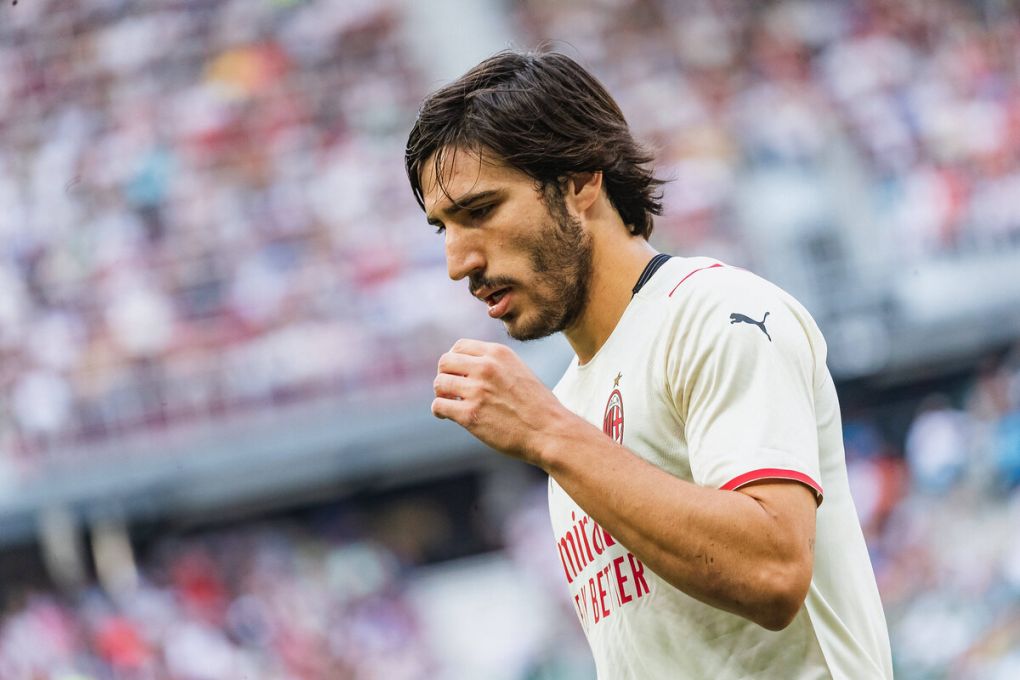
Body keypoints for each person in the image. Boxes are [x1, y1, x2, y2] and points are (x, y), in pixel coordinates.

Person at [405, 50, 893, 679]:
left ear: (581, 180)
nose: (458, 262)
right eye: (440, 227)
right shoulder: (570, 405)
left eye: (480, 211)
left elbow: (773, 571)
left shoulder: (717, 313)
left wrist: (549, 435)